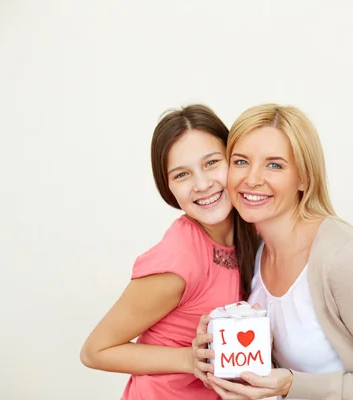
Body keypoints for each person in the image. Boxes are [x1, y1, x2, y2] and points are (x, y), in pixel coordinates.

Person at [192, 104, 353, 399]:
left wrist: (292, 385)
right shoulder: (253, 248)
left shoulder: (344, 261)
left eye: (274, 165)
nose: (251, 179)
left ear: (304, 178)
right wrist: (216, 347)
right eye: (240, 162)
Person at [80, 104, 259, 399]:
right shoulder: (178, 259)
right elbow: (96, 350)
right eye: (181, 175)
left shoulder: (250, 230)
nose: (202, 184)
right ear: (169, 188)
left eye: (212, 163)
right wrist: (188, 360)